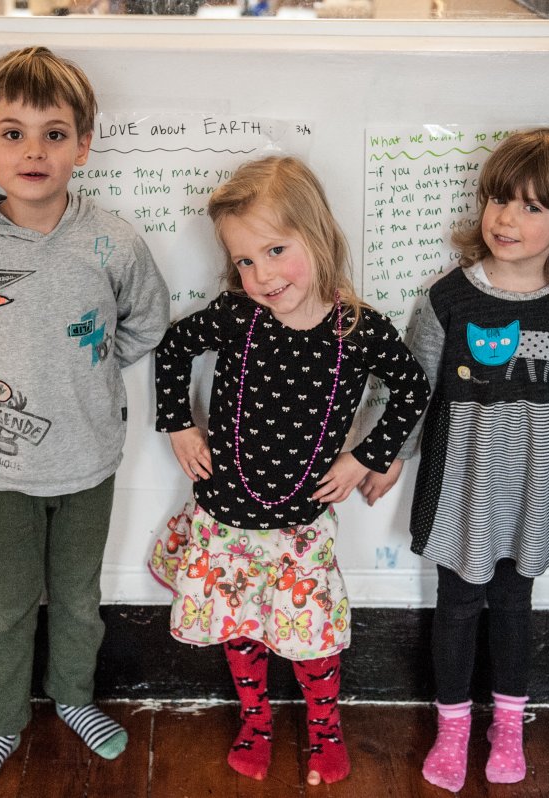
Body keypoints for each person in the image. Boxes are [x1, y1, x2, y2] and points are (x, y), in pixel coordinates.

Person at [0, 47, 170, 798]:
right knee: (8, 605)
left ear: (83, 144)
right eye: (12, 133)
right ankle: (1, 723)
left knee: (78, 597)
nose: (34, 150)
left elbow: (148, 322)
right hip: (1, 466)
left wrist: (99, 365)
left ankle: (75, 698)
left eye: (54, 133)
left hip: (90, 459)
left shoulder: (112, 239)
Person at [360, 126, 549, 792]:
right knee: (456, 606)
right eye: (499, 199)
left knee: (515, 605)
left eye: (532, 206)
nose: (507, 218)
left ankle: (508, 725)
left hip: (536, 490)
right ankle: (453, 724)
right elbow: (416, 385)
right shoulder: (448, 300)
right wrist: (389, 453)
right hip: (464, 488)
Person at [149, 155, 429, 786]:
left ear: (319, 236)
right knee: (239, 624)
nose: (262, 275)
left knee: (314, 636)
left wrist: (365, 457)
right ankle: (256, 719)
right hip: (225, 519)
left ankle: (324, 724)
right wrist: (179, 424)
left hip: (301, 526)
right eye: (246, 261)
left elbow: (411, 389)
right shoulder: (238, 315)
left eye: (276, 250)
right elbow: (173, 348)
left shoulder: (359, 330)